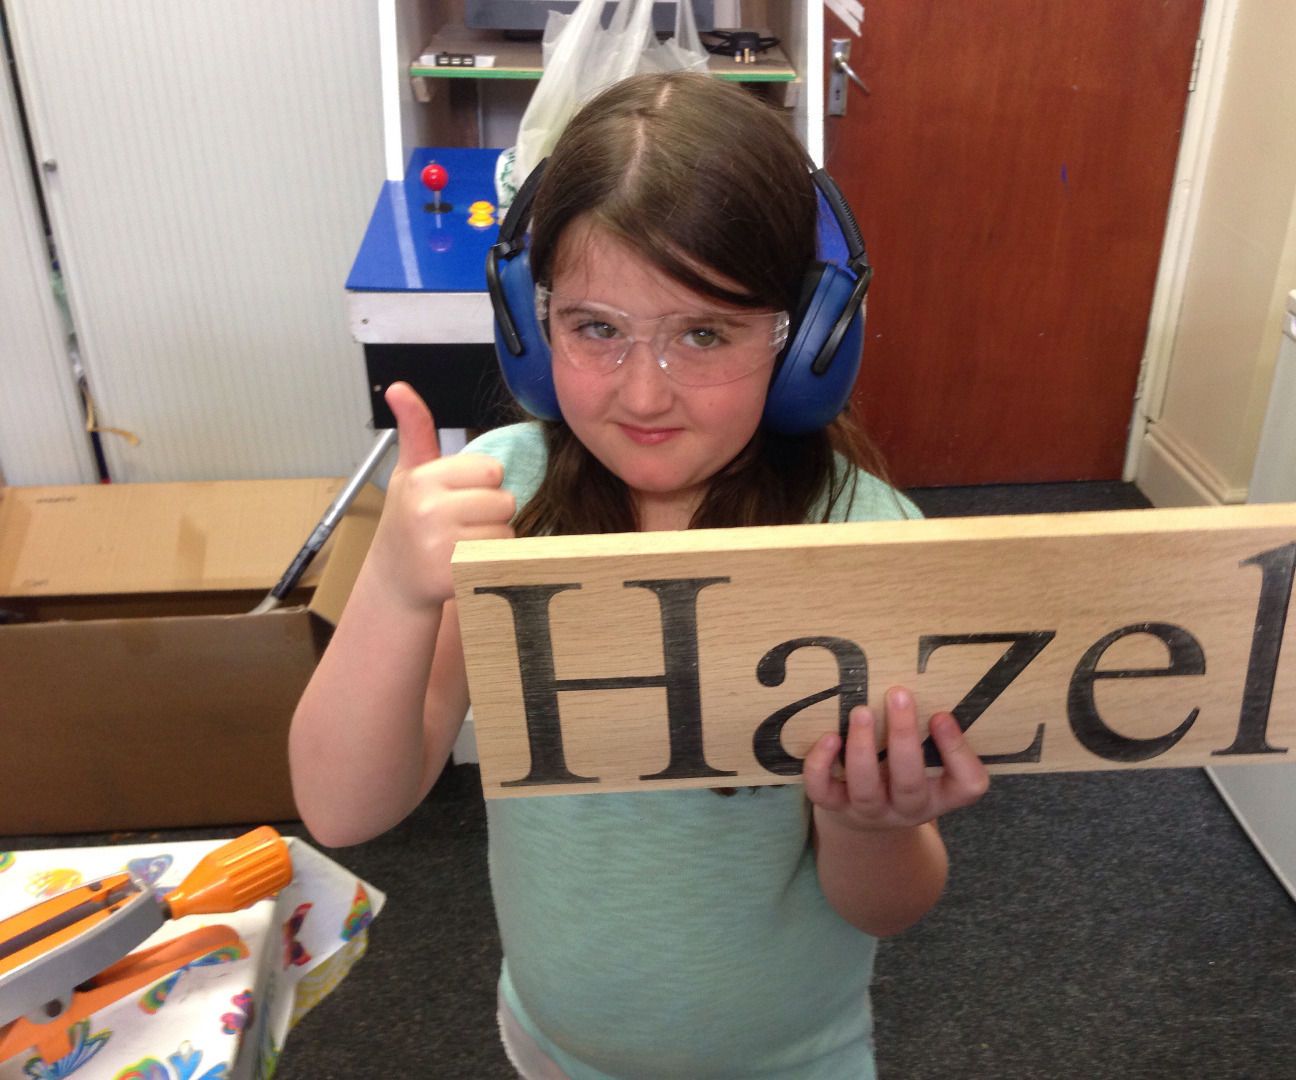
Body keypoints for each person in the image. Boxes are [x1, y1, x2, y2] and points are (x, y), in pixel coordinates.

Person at [290, 71, 990, 1079]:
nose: (645, 393)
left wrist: (866, 822)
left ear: (806, 342)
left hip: (793, 1061)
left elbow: (891, 904)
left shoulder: (866, 543)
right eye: (596, 330)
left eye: (704, 333)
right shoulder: (504, 504)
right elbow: (345, 807)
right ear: (532, 329)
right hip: (550, 1046)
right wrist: (397, 591)